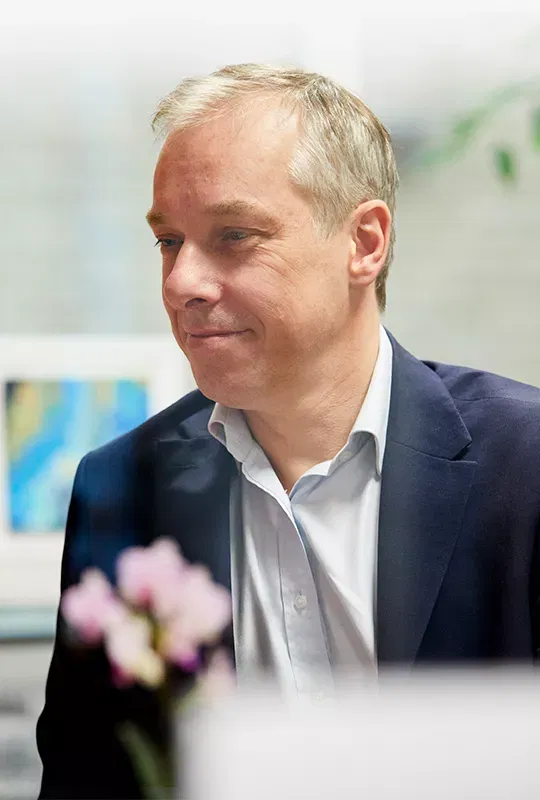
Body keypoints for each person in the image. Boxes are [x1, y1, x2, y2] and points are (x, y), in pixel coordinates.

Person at [37, 63, 540, 798]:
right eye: (169, 242)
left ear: (364, 243)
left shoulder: (523, 467)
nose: (181, 283)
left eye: (233, 235)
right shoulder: (122, 486)